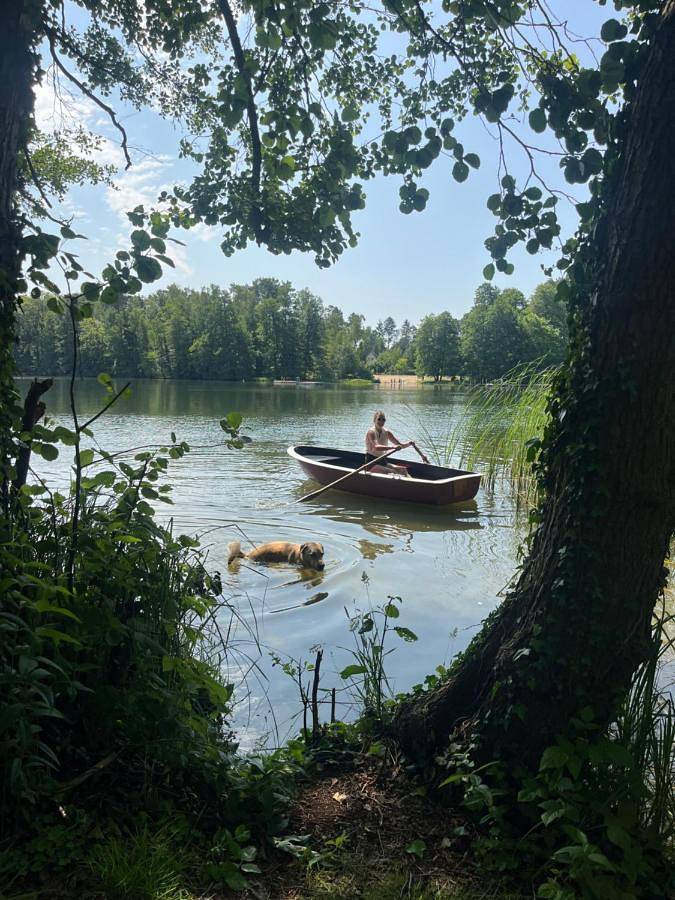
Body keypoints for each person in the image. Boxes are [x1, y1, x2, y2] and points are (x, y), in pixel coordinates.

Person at [365, 411, 429, 473]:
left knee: (403, 470)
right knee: (392, 472)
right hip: (371, 463)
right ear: (374, 420)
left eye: (383, 420)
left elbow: (400, 445)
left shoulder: (387, 432)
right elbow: (376, 447)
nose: (381, 421)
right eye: (379, 419)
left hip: (382, 461)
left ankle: (412, 483)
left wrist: (409, 443)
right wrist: (393, 447)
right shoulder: (371, 432)